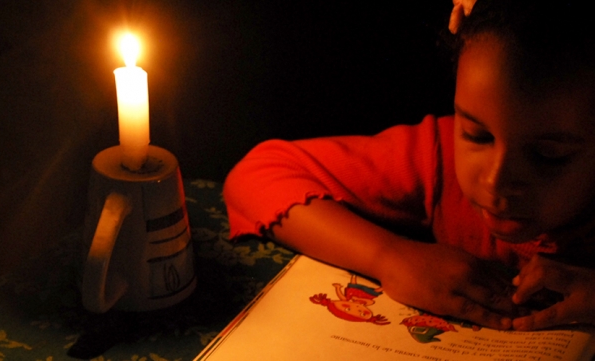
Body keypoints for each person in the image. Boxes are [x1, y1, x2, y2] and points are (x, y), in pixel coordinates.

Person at [223, 0, 595, 331]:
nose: (497, 180)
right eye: (477, 135)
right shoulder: (437, 159)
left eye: (548, 156)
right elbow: (259, 174)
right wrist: (390, 257)